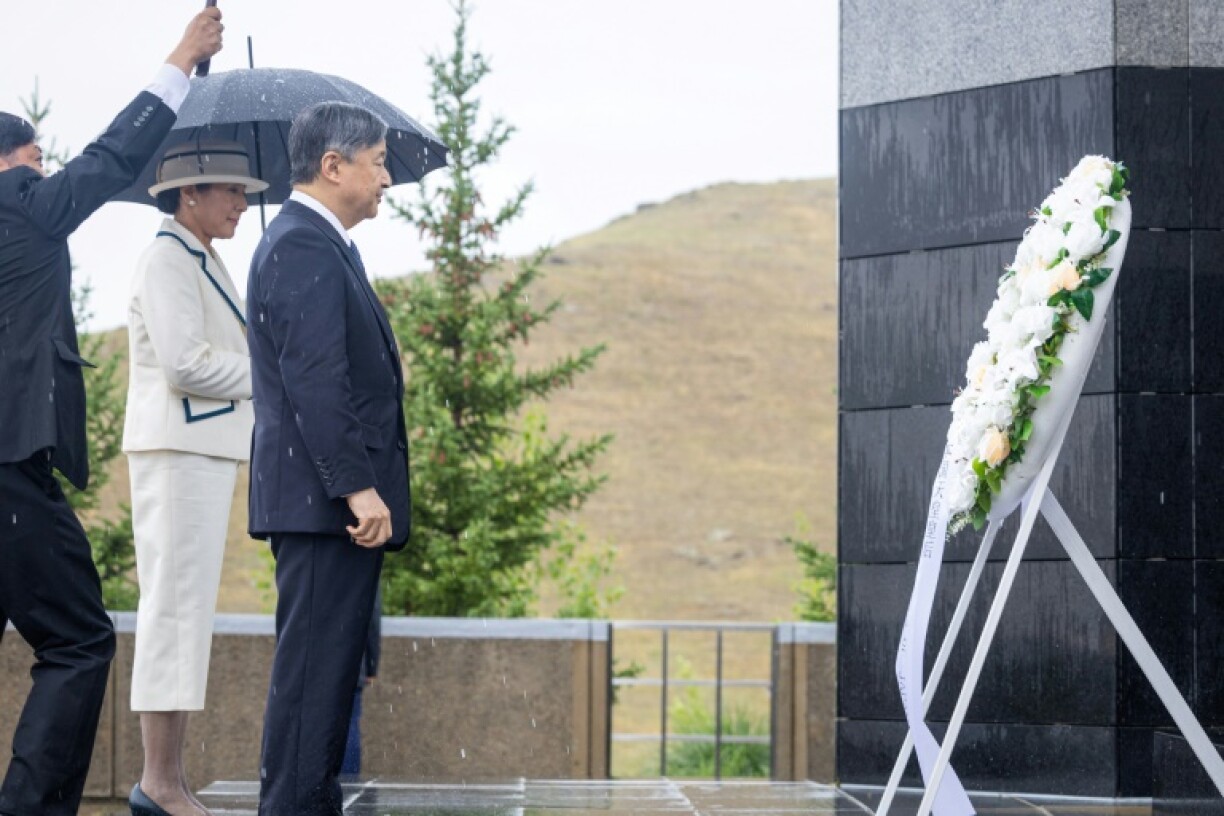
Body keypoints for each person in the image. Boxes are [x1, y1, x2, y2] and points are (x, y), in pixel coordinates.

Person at [0, 11, 223, 816]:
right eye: (32, 162)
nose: (43, 172)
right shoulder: (21, 202)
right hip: (9, 469)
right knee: (81, 639)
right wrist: (179, 62)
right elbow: (106, 162)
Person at [246, 101, 411, 816]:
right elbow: (316, 379)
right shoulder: (302, 244)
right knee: (312, 685)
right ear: (332, 165)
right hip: (325, 508)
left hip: (330, 507)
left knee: (326, 684)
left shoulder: (324, 244)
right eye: (377, 162)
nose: (386, 178)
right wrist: (356, 487)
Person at [122, 140, 267, 816]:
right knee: (172, 615)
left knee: (185, 615)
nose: (243, 203)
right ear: (190, 195)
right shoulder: (166, 259)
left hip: (199, 450)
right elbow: (184, 363)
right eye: (231, 191)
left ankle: (169, 778)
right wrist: (270, 373)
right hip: (176, 449)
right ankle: (158, 780)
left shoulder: (198, 258)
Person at [341, 588, 382, 777]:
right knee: (349, 723)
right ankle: (348, 780)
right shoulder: (363, 560)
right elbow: (370, 619)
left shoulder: (312, 559)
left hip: (312, 661)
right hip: (352, 660)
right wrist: (371, 665)